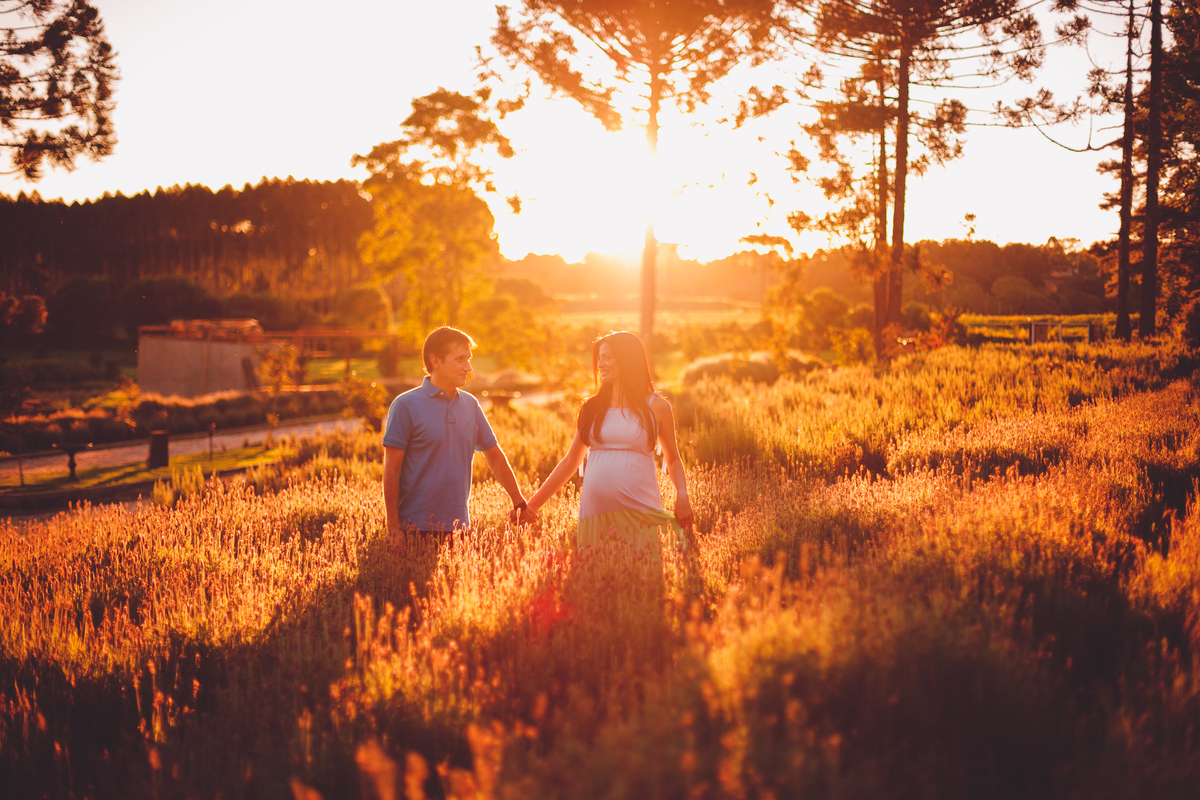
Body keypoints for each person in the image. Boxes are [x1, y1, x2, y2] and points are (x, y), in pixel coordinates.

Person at [521, 331, 693, 551]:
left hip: (640, 511)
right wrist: (533, 505)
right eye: (599, 358)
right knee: (594, 569)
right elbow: (570, 462)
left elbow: (673, 459)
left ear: (627, 359)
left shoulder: (657, 407)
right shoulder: (591, 408)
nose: (600, 364)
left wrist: (682, 496)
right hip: (594, 513)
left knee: (641, 567)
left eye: (608, 357)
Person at [382, 327, 527, 542]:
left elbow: (495, 457)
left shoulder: (471, 405)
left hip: (460, 530)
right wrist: (393, 528)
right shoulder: (405, 406)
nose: (468, 367)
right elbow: (391, 470)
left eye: (468, 359)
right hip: (414, 531)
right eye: (460, 359)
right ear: (436, 361)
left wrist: (519, 502)